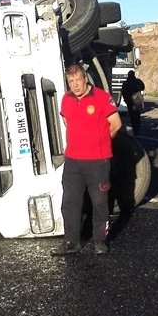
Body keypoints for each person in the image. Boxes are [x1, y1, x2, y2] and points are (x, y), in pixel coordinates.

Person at [52, 63, 121, 256]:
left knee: (99, 202)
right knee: (70, 202)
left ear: (85, 79)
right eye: (70, 81)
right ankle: (71, 242)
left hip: (97, 162)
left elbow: (115, 125)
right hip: (73, 161)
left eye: (78, 80)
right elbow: (67, 122)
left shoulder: (101, 97)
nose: (75, 85)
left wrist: (100, 143)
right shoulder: (66, 99)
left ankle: (99, 241)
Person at [119, 69, 145, 134]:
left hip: (130, 101)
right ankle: (137, 128)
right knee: (137, 115)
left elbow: (123, 92)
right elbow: (143, 87)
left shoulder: (125, 83)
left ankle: (135, 128)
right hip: (137, 100)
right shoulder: (138, 81)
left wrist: (125, 99)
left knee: (132, 115)